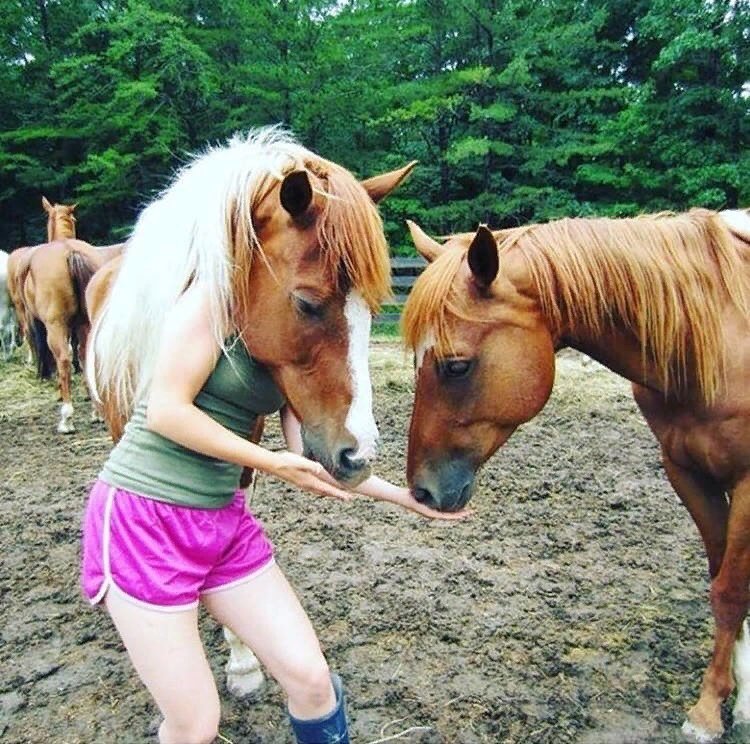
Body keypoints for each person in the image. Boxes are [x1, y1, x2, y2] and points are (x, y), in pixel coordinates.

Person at [81, 280, 468, 744]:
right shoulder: (214, 298)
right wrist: (268, 463)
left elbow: (308, 455)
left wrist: (402, 497)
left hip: (223, 523)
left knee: (312, 680)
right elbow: (166, 411)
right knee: (195, 725)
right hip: (145, 521)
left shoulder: (293, 335)